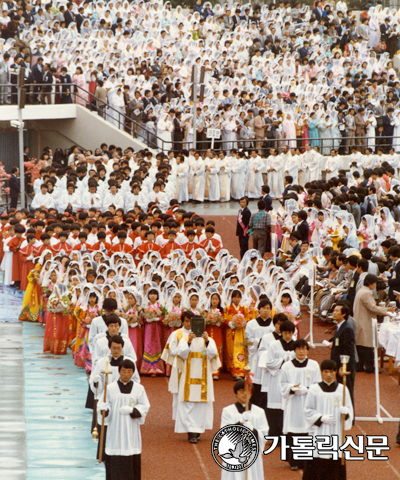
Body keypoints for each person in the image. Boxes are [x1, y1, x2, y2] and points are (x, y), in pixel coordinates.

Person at [98, 359, 150, 480]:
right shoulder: (110, 389)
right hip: (115, 429)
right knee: (115, 462)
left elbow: (145, 406)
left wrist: (133, 410)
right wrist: (104, 409)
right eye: (124, 371)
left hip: (131, 430)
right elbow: (103, 405)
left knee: (131, 460)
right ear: (119, 372)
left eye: (129, 372)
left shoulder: (139, 389)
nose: (126, 374)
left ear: (133, 373)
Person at [303, 359, 353, 480]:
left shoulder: (342, 389)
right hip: (320, 431)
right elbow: (307, 410)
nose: (329, 375)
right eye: (326, 372)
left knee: (334, 459)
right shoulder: (314, 389)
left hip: (336, 431)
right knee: (318, 459)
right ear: (321, 373)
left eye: (331, 372)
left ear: (335, 372)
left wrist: (346, 413)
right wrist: (320, 418)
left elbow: (349, 410)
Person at [280, 338, 321, 471]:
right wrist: (292, 388)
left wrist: (307, 389)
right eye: (298, 349)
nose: (301, 351)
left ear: (307, 350)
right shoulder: (287, 366)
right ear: (294, 350)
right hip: (293, 403)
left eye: (304, 348)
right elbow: (282, 384)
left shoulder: (313, 365)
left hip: (308, 402)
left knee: (307, 430)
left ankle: (305, 461)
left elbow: (318, 384)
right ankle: (293, 461)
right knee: (293, 430)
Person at [174, 328, 221, 443]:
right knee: (188, 404)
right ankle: (191, 432)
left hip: (204, 377)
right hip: (188, 375)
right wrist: (189, 342)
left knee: (201, 406)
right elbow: (180, 353)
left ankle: (198, 430)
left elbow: (213, 353)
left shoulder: (209, 339)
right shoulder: (185, 339)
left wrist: (207, 341)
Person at [220, 379, 269, 480]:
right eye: (242, 391)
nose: (245, 394)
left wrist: (253, 431)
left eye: (248, 391)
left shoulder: (259, 412)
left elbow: (264, 433)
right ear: (236, 393)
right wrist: (239, 424)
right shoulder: (228, 411)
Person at [354, 274, 394, 373]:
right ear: (370, 283)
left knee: (360, 345)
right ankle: (369, 367)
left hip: (360, 319)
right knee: (368, 346)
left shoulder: (361, 291)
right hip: (365, 321)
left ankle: (359, 365)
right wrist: (387, 310)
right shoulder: (366, 293)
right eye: (375, 283)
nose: (376, 285)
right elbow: (373, 308)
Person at [329, 303, 356, 410]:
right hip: (339, 364)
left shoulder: (347, 329)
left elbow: (348, 350)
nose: (334, 313)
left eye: (337, 311)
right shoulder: (340, 326)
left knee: (347, 391)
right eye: (334, 310)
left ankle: (349, 416)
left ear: (344, 314)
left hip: (345, 367)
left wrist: (343, 367)